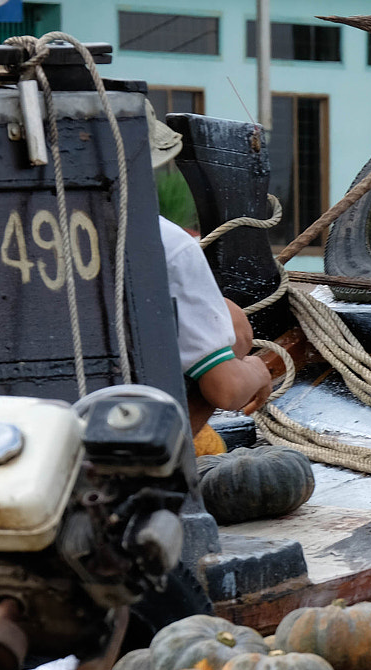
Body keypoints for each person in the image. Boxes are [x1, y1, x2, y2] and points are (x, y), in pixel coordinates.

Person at [148, 105, 271, 432]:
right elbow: (226, 389)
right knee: (230, 327)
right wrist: (259, 370)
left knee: (225, 317)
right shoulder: (167, 243)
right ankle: (177, 451)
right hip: (133, 432)